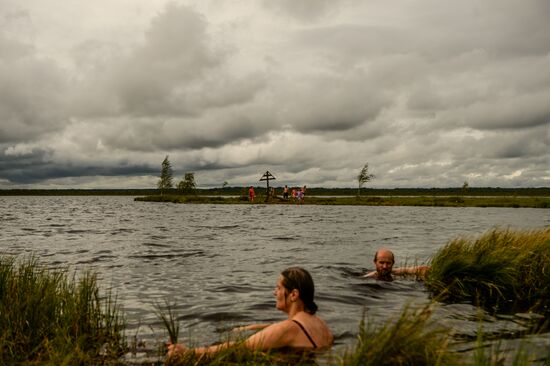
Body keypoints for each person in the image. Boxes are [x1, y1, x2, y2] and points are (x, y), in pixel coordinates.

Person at [167, 267, 333, 357]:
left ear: (294, 295)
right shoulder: (321, 324)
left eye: (278, 288)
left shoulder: (289, 328)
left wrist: (189, 352)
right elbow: (283, 330)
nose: (274, 293)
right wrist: (252, 327)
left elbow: (239, 347)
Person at [363, 248, 430, 281]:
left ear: (393, 263)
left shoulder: (396, 272)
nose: (385, 266)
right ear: (375, 262)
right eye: (381, 262)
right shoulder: (369, 277)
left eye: (388, 263)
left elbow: (419, 269)